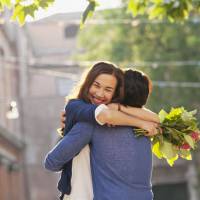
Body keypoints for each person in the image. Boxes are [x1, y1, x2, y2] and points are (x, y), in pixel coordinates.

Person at [44, 62, 159, 200]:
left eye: (108, 89)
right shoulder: (146, 126)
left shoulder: (91, 124)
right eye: (96, 85)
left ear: (117, 92)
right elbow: (157, 119)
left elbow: (51, 162)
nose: (100, 93)